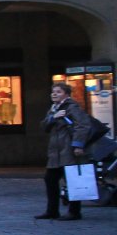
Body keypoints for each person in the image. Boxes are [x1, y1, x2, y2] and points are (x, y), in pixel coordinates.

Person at [38, 82, 93, 220]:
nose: (54, 94)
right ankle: (52, 211)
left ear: (66, 94)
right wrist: (53, 117)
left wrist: (78, 145)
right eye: (53, 91)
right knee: (50, 179)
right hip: (55, 152)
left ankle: (74, 212)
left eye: (58, 92)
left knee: (72, 180)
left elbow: (83, 126)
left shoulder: (72, 107)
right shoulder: (54, 109)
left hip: (68, 150)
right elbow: (44, 126)